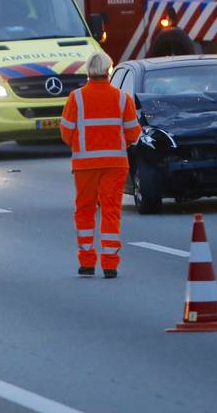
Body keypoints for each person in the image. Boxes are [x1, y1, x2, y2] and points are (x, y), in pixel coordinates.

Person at [59, 51, 141, 279]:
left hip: (85, 165)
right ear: (109, 70)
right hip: (115, 164)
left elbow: (66, 133)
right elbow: (134, 134)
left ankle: (86, 263)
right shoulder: (123, 98)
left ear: (88, 71)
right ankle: (110, 265)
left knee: (85, 211)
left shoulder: (76, 98)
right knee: (110, 211)